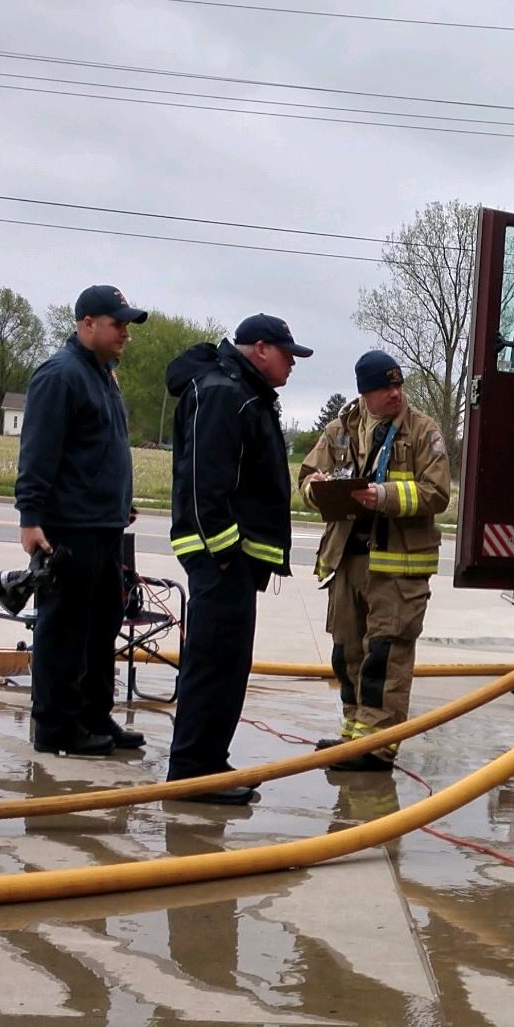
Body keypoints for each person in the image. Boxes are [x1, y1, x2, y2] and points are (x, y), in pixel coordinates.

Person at [164, 314, 309, 805]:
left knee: (226, 665)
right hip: (221, 561)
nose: (293, 363)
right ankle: (191, 773)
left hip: (234, 563)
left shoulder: (241, 390)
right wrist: (226, 554)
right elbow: (208, 482)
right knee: (212, 664)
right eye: (288, 353)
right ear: (261, 348)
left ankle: (209, 762)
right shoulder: (226, 393)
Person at [14, 284, 148, 757]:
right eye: (118, 325)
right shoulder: (61, 375)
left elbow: (98, 450)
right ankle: (56, 727)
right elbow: (39, 452)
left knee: (100, 627)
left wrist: (119, 502)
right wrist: (31, 519)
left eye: (127, 326)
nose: (124, 335)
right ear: (87, 323)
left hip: (104, 526)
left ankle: (93, 716)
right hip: (69, 528)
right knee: (65, 628)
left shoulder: (103, 375)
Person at [300, 351, 451, 771]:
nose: (395, 394)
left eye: (399, 385)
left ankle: (378, 745)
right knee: (346, 652)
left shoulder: (423, 431)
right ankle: (354, 733)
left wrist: (383, 496)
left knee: (384, 655)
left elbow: (437, 493)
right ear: (364, 392)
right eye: (386, 387)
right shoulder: (340, 430)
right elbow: (306, 477)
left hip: (397, 566)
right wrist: (318, 488)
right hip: (348, 559)